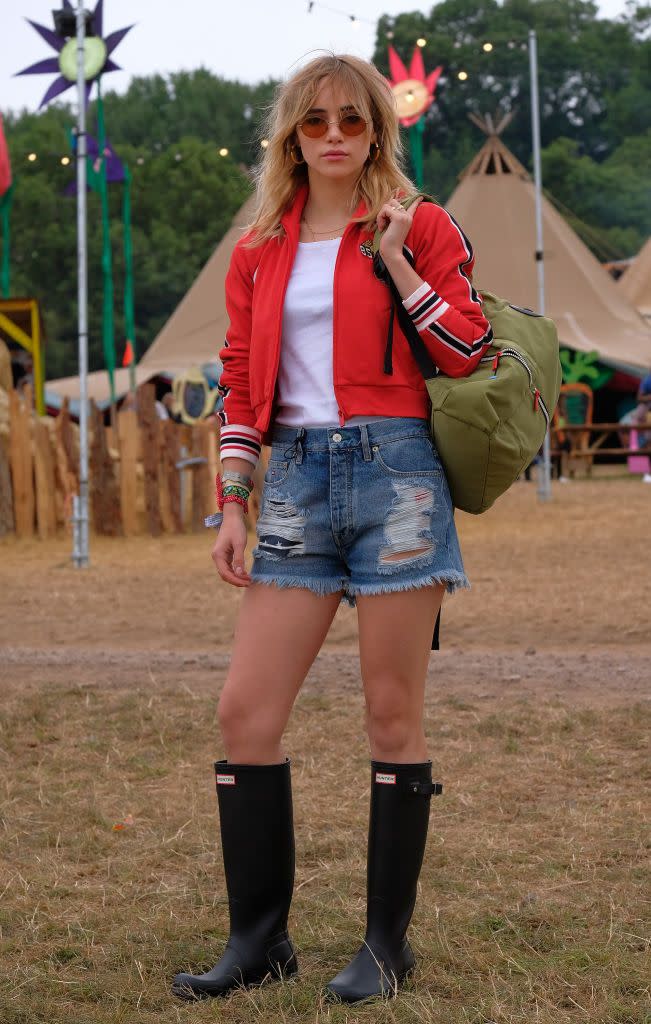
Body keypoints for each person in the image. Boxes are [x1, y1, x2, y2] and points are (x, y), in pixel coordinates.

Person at [171, 53, 493, 1005]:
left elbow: (466, 349)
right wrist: (232, 498)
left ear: (376, 131)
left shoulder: (420, 224)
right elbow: (239, 376)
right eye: (316, 123)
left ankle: (385, 950)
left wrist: (394, 260)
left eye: (353, 120)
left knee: (391, 715)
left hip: (398, 476)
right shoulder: (258, 247)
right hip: (297, 482)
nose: (336, 136)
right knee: (245, 712)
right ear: (292, 135)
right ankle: (258, 941)